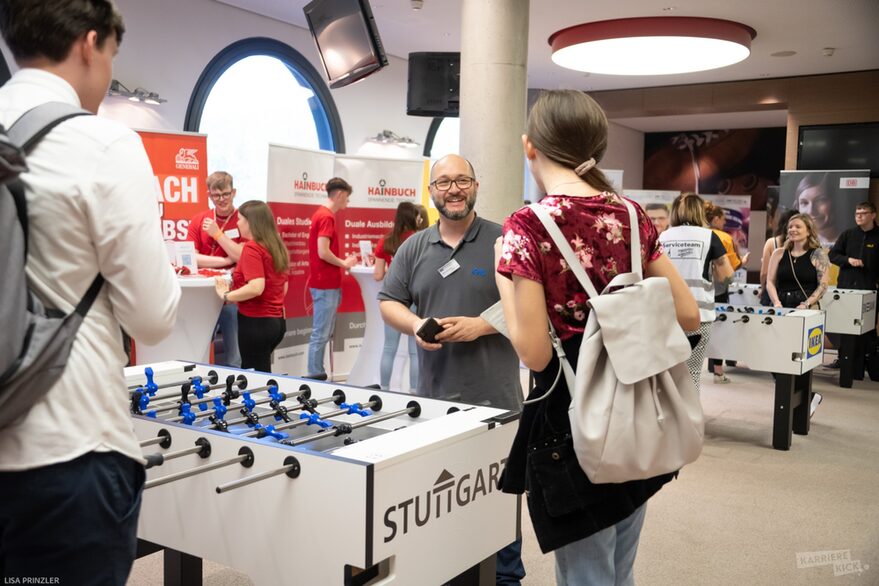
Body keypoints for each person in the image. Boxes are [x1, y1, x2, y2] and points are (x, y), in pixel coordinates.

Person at [0, 1, 181, 583]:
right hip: (65, 453)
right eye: (111, 56)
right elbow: (153, 318)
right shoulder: (102, 144)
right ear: (89, 43)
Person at [494, 89, 700, 586]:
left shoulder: (527, 225)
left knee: (587, 573)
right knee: (618, 568)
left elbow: (534, 352)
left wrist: (503, 270)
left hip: (573, 421)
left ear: (529, 147)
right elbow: (690, 315)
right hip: (637, 404)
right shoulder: (631, 216)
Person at [378, 154, 525, 584]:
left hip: (497, 406)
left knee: (499, 516)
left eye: (462, 180)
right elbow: (390, 300)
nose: (453, 189)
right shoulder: (414, 247)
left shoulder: (504, 239)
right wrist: (414, 325)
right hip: (433, 407)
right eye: (443, 182)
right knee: (441, 509)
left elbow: (533, 306)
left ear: (476, 186)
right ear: (431, 192)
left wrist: (483, 325)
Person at [660, 193, 734, 390]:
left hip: (665, 315)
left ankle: (663, 416)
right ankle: (687, 419)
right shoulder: (710, 236)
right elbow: (726, 277)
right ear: (699, 212)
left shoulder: (662, 237)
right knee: (691, 371)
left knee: (665, 373)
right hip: (698, 315)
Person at [766, 213, 830, 414]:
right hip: (781, 307)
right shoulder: (778, 253)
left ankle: (802, 401)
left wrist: (807, 303)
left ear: (808, 230)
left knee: (800, 359)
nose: (792, 230)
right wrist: (776, 302)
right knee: (774, 356)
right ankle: (806, 398)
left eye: (798, 227)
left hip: (806, 310)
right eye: (790, 227)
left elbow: (823, 285)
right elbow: (769, 281)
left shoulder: (817, 254)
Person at [214, 201, 288, 373]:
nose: (237, 223)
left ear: (250, 222)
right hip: (277, 322)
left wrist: (226, 295)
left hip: (256, 324)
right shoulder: (275, 246)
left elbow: (256, 287)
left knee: (256, 380)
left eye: (240, 219)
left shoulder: (252, 248)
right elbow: (281, 286)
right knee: (262, 373)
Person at [186, 171, 243, 367]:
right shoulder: (199, 219)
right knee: (198, 347)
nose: (221, 200)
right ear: (209, 195)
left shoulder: (243, 220)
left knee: (234, 351)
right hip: (204, 293)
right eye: (216, 195)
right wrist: (224, 260)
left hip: (232, 293)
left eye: (226, 194)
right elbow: (190, 258)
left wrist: (218, 235)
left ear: (233, 192)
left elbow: (241, 256)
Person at [306, 177, 358, 379]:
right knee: (320, 333)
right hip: (325, 284)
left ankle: (317, 374)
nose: (347, 202)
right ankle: (316, 375)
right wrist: (344, 263)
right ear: (340, 195)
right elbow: (323, 251)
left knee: (321, 333)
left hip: (323, 283)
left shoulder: (320, 215)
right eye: (347, 198)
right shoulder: (326, 217)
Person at [373, 201, 425, 391]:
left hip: (393, 299)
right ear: (414, 217)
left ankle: (385, 389)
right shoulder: (421, 240)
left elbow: (378, 275)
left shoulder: (386, 241)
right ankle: (414, 392)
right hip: (416, 300)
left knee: (389, 348)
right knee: (415, 351)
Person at [828, 202, 879, 375]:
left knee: (868, 329)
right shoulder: (848, 234)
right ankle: (847, 364)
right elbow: (833, 255)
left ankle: (872, 366)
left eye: (864, 213)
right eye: (857, 213)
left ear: (873, 215)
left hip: (869, 290)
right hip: (846, 289)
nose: (859, 216)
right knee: (845, 328)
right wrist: (848, 260)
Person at [705, 202, 748, 383]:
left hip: (698, 288)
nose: (723, 223)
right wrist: (743, 261)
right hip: (719, 289)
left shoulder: (698, 234)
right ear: (715, 218)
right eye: (722, 219)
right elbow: (730, 267)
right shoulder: (724, 238)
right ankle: (718, 371)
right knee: (720, 328)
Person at [759, 209, 798, 306]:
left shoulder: (772, 243)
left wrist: (763, 288)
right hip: (796, 294)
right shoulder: (803, 244)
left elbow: (764, 273)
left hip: (773, 294)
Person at [794, 173, 838, 247]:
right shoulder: (794, 244)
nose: (811, 211)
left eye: (819, 201)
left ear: (835, 203)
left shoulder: (848, 242)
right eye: (804, 203)